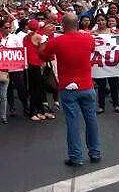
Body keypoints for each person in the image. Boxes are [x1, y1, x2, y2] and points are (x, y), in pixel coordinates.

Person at [40, 13, 101, 167]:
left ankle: (76, 156)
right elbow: (92, 49)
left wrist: (45, 37)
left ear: (63, 25)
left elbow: (42, 55)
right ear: (78, 24)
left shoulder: (57, 41)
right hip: (87, 85)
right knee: (91, 120)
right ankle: (95, 152)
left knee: (73, 123)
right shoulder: (88, 38)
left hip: (68, 87)